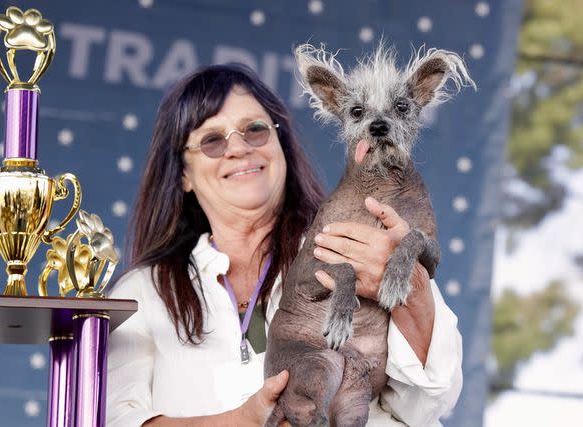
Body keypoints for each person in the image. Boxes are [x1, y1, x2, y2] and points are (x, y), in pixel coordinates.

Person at [106, 63, 462, 427]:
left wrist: (413, 288)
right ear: (183, 174)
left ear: (282, 146)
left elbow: (430, 403)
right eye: (212, 140)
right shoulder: (142, 294)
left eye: (255, 130)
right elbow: (115, 420)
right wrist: (245, 419)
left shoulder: (355, 242)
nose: (238, 148)